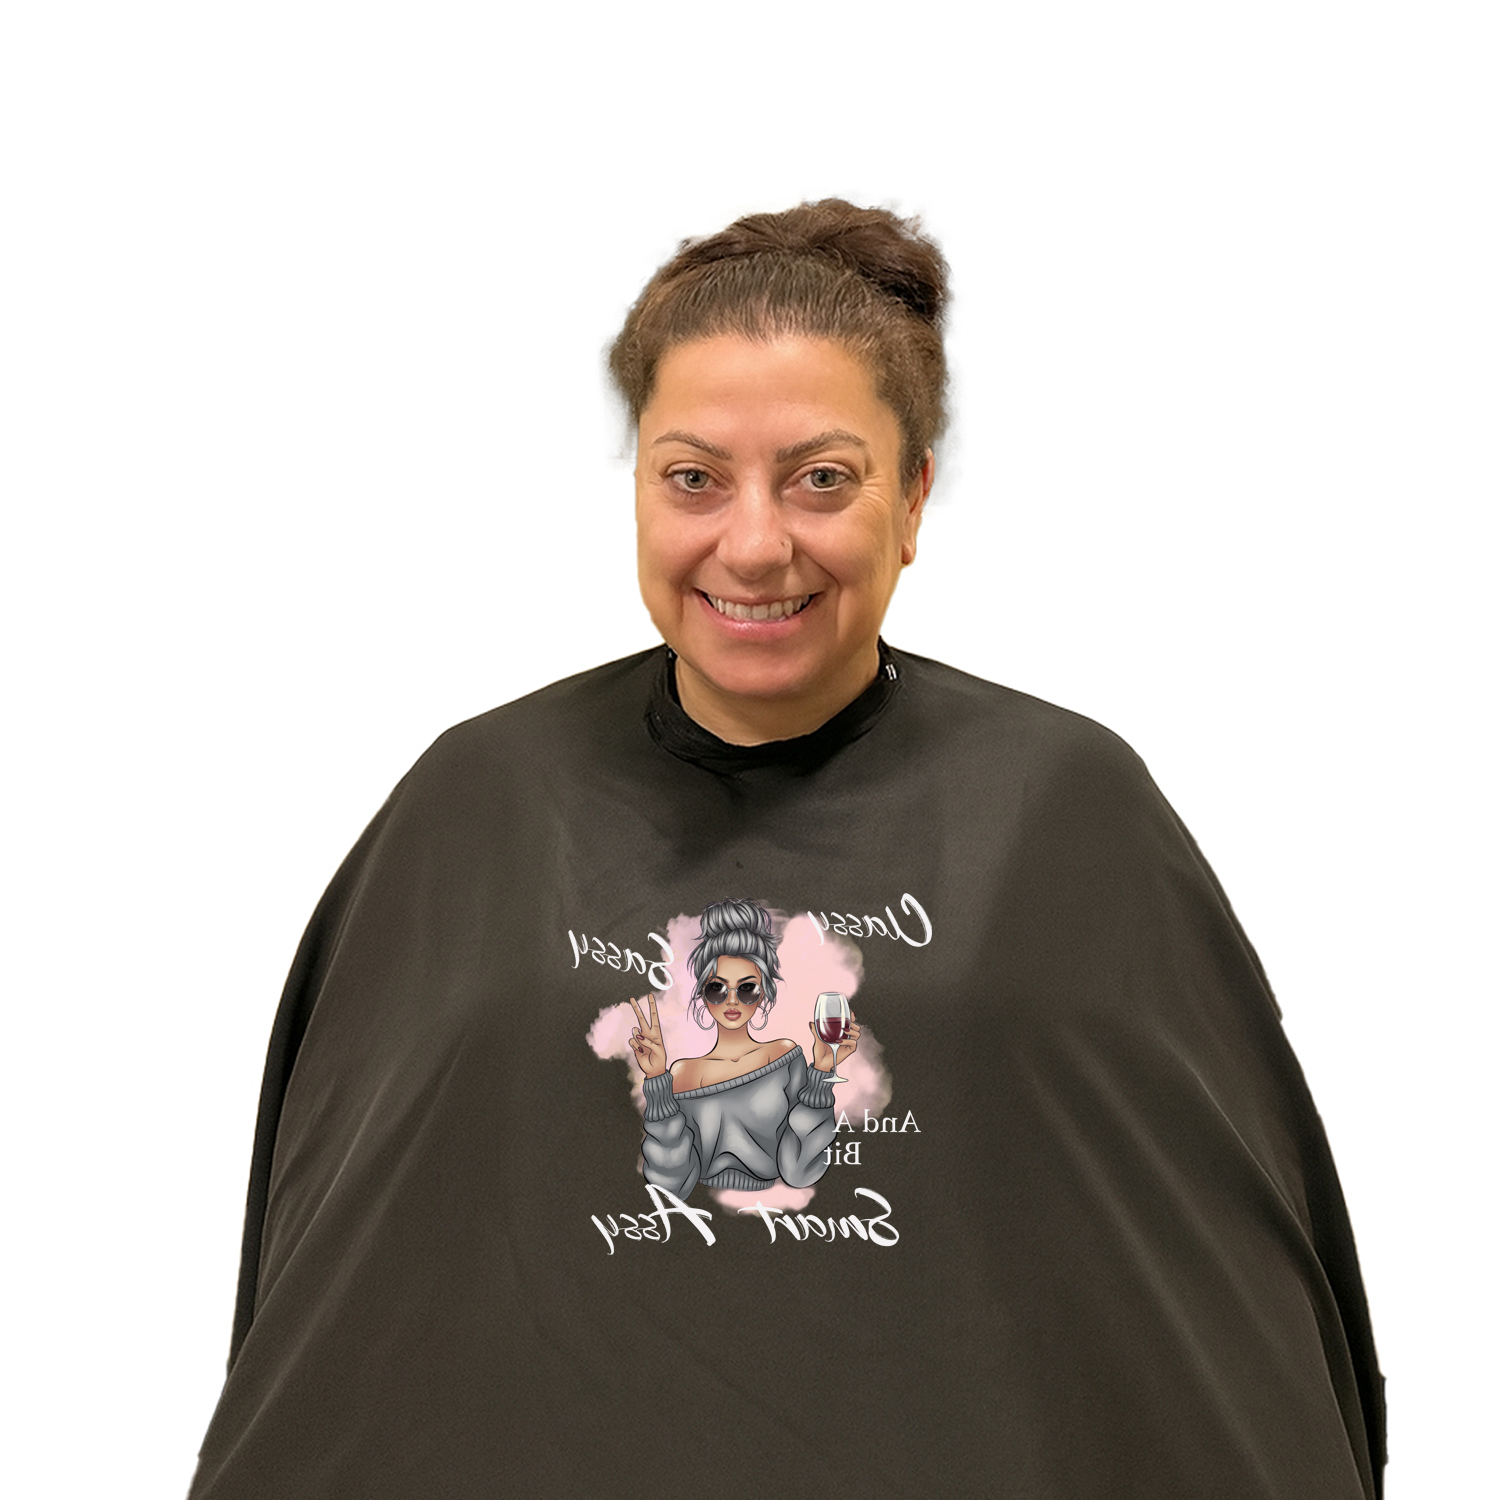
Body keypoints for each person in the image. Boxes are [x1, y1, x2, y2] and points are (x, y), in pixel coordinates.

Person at [188, 200, 1385, 1499]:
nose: (754, 545)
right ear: (638, 489)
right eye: (693, 478)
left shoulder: (1057, 807)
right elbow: (357, 1284)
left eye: (822, 478)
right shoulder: (480, 803)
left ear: (912, 497)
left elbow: (1210, 1291)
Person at [627, 897, 861, 1197]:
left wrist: (822, 1070)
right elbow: (671, 1183)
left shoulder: (784, 1057)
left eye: (747, 988)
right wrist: (656, 1078)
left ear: (763, 993)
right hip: (701, 1216)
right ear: (702, 993)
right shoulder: (682, 1075)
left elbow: (801, 1171)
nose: (732, 1000)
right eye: (717, 988)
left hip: (779, 1211)